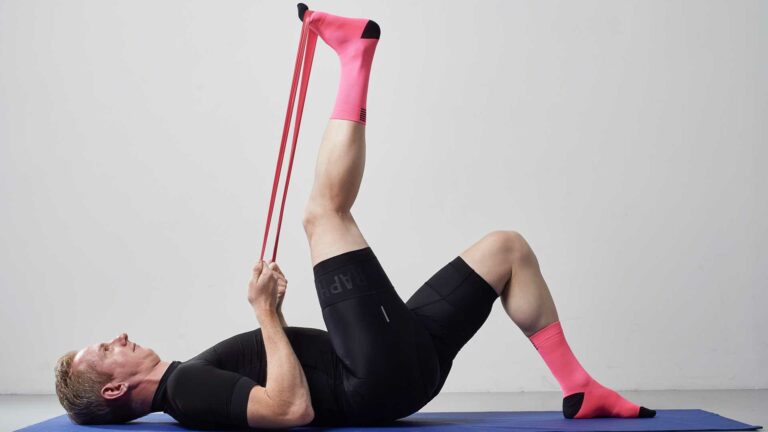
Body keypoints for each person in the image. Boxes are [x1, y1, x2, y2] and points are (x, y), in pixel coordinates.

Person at [54, 4, 656, 429]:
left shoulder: (185, 383)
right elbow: (291, 411)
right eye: (106, 349)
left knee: (507, 250)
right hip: (373, 380)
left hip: (396, 369)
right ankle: (355, 55)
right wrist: (267, 313)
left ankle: (581, 388)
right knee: (324, 214)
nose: (118, 337)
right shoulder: (181, 389)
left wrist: (271, 319)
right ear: (115, 387)